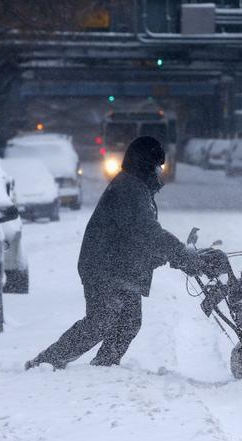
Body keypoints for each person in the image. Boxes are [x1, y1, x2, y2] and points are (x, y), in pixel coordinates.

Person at [25, 136, 202, 370]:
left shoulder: (136, 187)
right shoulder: (129, 188)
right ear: (147, 164)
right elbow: (146, 231)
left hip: (118, 267)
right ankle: (46, 362)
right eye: (157, 166)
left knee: (128, 322)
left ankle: (104, 365)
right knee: (100, 321)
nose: (160, 171)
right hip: (104, 267)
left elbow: (136, 238)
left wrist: (171, 257)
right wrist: (178, 252)